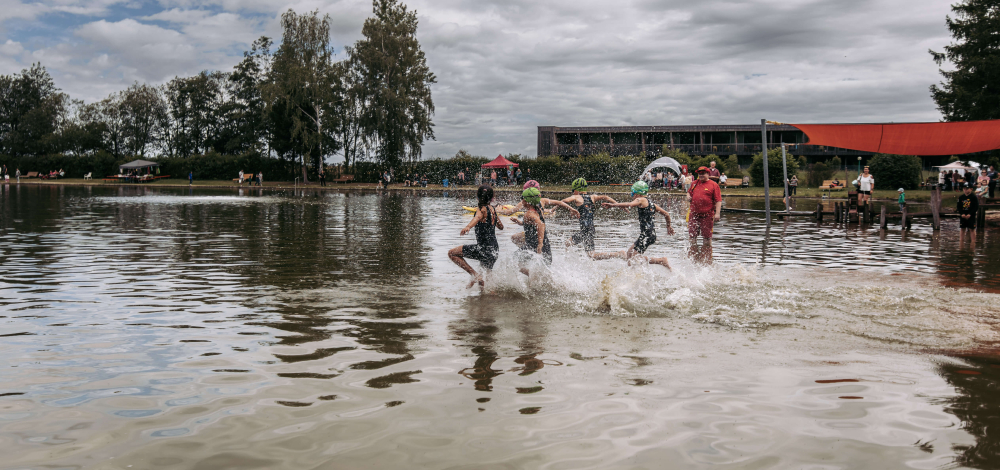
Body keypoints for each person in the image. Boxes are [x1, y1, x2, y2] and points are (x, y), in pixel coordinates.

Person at [592, 181, 673, 269]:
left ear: (638, 193)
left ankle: (660, 261)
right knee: (629, 255)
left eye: (633, 193)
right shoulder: (652, 204)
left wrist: (613, 205)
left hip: (647, 235)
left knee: (634, 258)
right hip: (649, 234)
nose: (632, 196)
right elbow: (666, 214)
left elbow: (630, 204)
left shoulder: (641, 199)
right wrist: (668, 226)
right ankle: (632, 273)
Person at [449, 185, 504, 288]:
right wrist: (494, 217)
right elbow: (501, 227)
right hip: (494, 250)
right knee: (483, 283)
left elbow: (478, 217)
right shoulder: (493, 210)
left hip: (484, 248)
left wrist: (468, 226)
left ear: (477, 196)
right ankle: (483, 299)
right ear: (491, 198)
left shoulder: (481, 209)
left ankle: (475, 275)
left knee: (452, 253)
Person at [560, 178, 618, 255]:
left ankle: (618, 254)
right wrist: (619, 205)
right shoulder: (592, 197)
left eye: (573, 191)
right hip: (589, 229)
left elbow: (562, 201)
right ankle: (568, 260)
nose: (573, 193)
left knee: (592, 255)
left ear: (576, 190)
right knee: (568, 243)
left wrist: (552, 209)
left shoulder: (576, 197)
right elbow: (606, 197)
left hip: (586, 231)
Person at [510, 187, 552, 275]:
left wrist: (540, 244)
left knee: (514, 260)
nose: (521, 202)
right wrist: (520, 222)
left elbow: (540, 224)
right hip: (546, 247)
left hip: (534, 247)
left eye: (523, 199)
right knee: (544, 274)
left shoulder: (528, 214)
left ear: (527, 201)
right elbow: (535, 224)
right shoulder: (538, 210)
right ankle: (534, 279)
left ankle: (532, 276)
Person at [686, 166, 722, 264]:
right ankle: (694, 259)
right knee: (692, 237)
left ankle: (706, 259)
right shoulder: (694, 183)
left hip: (707, 215)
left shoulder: (714, 185)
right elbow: (688, 193)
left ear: (708, 174)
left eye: (703, 173)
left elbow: (718, 200)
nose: (701, 175)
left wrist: (717, 213)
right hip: (694, 214)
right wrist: (688, 196)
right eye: (699, 173)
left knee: (707, 239)